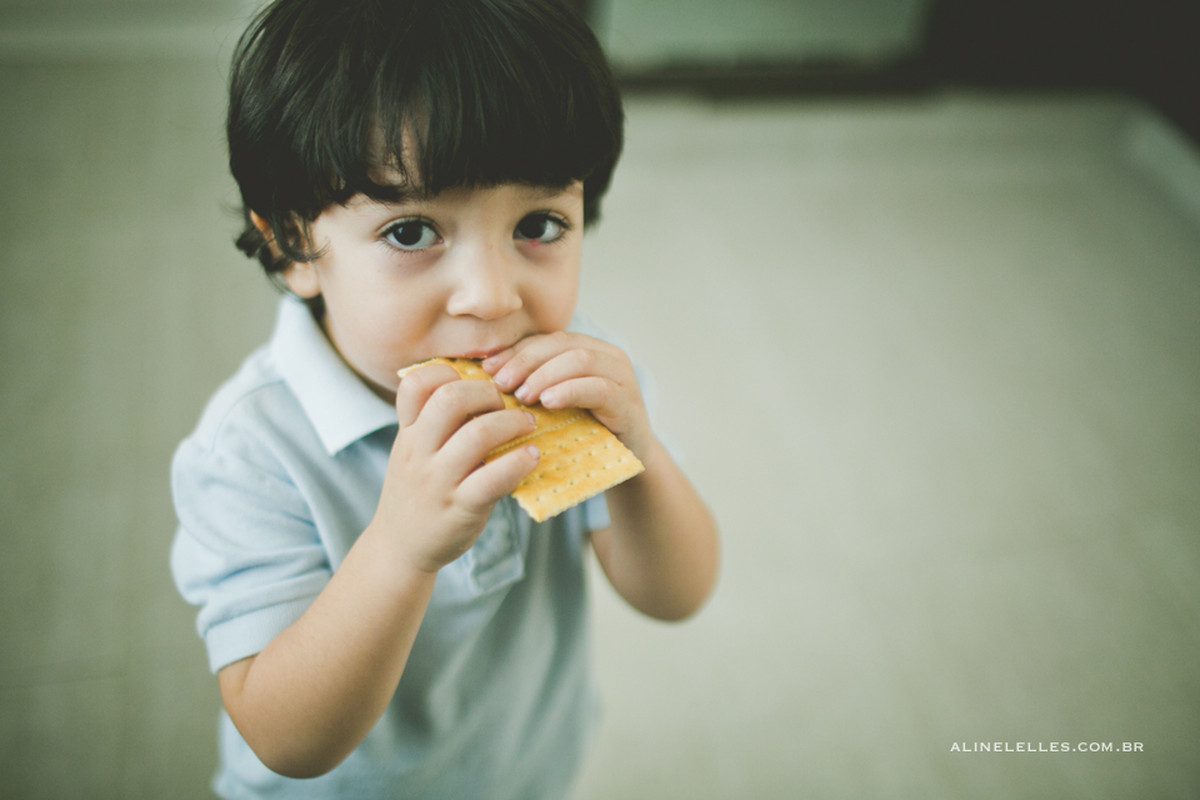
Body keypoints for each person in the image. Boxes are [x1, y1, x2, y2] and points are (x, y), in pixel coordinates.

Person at [170, 0, 720, 796]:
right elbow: (285, 737)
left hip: (527, 771)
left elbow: (678, 593)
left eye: (539, 222)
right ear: (295, 244)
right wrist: (399, 546)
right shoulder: (252, 451)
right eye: (411, 233)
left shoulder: (579, 380)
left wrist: (641, 453)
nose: (492, 296)